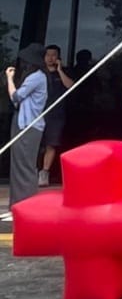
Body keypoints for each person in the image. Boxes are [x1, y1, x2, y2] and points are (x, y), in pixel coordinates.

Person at [5, 43, 48, 212]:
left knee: (24, 166)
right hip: (26, 123)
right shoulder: (37, 76)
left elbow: (16, 97)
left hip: (27, 125)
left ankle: (25, 204)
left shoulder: (36, 77)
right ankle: (17, 204)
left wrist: (9, 78)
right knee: (20, 164)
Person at [39, 45, 75, 186]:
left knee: (51, 144)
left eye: (53, 55)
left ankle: (44, 173)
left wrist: (60, 70)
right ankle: (32, 171)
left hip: (56, 115)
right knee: (36, 144)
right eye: (48, 55)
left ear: (58, 57)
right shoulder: (39, 73)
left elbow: (70, 86)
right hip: (39, 114)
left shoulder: (63, 72)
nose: (50, 58)